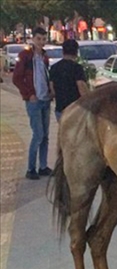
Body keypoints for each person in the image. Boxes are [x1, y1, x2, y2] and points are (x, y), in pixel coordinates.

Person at [13, 27, 53, 180]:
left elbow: (46, 76)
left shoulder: (44, 57)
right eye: (39, 39)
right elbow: (17, 78)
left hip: (45, 99)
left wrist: (49, 93)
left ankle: (43, 166)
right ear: (33, 39)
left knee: (45, 136)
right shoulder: (25, 56)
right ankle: (31, 168)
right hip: (34, 101)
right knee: (38, 134)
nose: (41, 42)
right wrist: (29, 94)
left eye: (43, 39)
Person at [49, 39, 89, 122]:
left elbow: (52, 90)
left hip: (60, 109)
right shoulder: (77, 68)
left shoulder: (54, 68)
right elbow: (81, 86)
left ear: (63, 51)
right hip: (75, 109)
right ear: (76, 52)